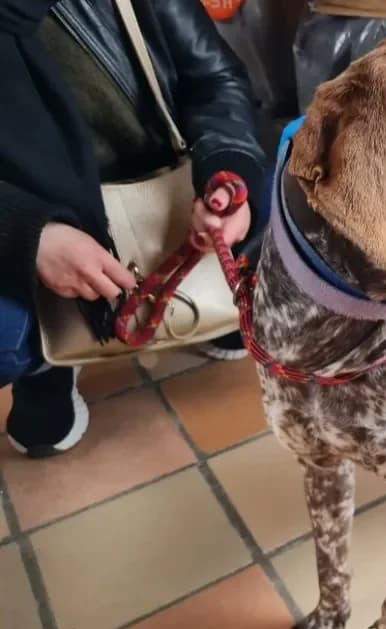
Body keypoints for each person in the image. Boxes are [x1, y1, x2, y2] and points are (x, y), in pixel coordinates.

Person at [0, 0, 267, 457]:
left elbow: (215, 78)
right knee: (8, 330)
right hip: (43, 213)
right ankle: (43, 370)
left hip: (172, 180)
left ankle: (219, 303)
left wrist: (227, 171)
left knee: (277, 180)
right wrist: (27, 234)